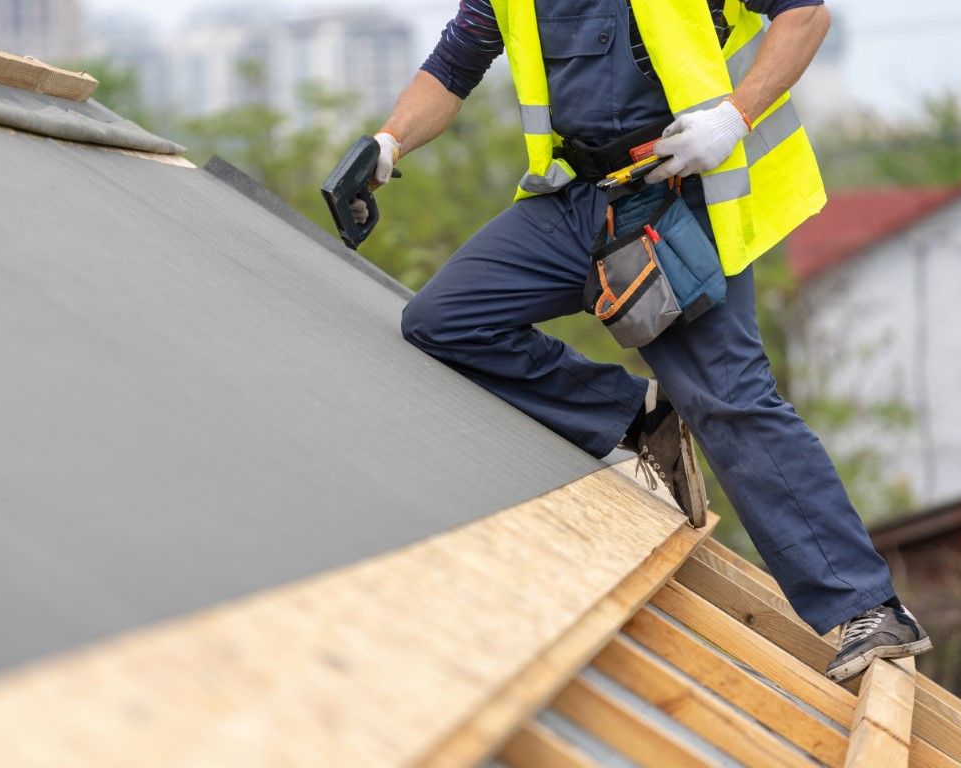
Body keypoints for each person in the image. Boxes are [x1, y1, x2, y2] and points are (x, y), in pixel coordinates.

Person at [356, 0, 932, 682]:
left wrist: (732, 118)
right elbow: (453, 66)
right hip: (579, 198)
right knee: (445, 320)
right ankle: (640, 414)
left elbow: (805, 16)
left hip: (676, 195)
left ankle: (868, 606)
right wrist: (388, 143)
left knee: (729, 399)